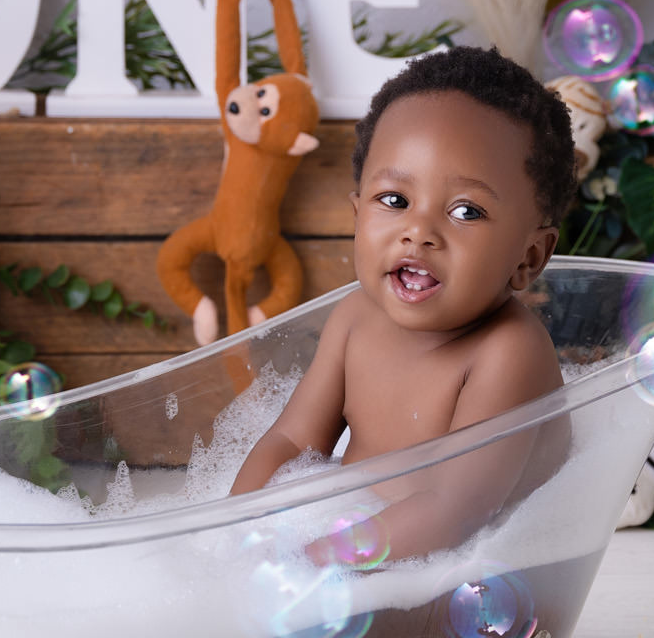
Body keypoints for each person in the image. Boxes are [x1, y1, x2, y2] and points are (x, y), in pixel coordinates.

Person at [228, 44, 580, 564]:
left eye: (466, 210)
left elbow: (454, 512)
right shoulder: (354, 320)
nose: (419, 231)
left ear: (528, 257)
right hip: (358, 561)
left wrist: (312, 562)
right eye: (394, 201)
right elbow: (292, 438)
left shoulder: (509, 352)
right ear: (357, 215)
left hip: (456, 580)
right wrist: (235, 536)